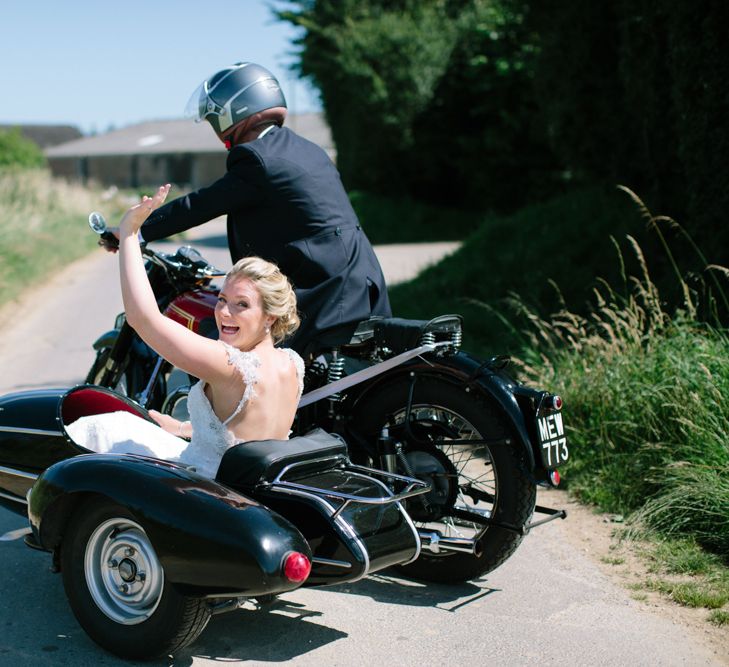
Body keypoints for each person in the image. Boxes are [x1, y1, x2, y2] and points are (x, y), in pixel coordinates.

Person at [113, 61, 392, 357]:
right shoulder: (305, 149)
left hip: (320, 292)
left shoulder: (257, 158)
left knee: (233, 354)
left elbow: (202, 204)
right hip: (361, 283)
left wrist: (135, 229)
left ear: (233, 111)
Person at [70, 184, 305, 479]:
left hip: (208, 485)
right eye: (222, 300)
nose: (224, 313)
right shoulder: (292, 363)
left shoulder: (230, 363)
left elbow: (143, 319)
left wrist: (129, 232)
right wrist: (180, 428)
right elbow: (245, 436)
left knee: (100, 427)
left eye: (241, 305)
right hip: (251, 483)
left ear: (270, 317)